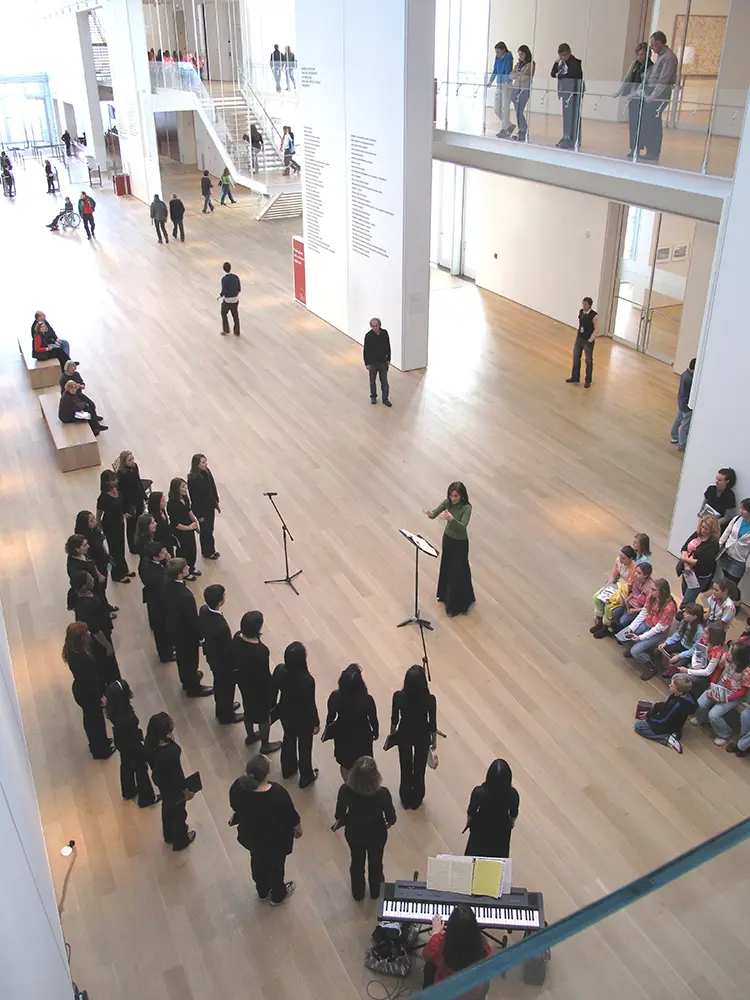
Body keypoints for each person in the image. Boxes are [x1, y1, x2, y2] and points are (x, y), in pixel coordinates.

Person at [229, 754, 302, 905]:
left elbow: (236, 806)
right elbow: (291, 817)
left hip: (252, 837)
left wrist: (238, 816)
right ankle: (277, 895)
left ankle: (262, 891)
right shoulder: (278, 794)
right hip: (275, 841)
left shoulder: (239, 786)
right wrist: (298, 830)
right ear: (267, 773)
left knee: (257, 863)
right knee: (276, 868)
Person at [334, 756, 396, 901]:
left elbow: (339, 815)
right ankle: (376, 892)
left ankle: (358, 892)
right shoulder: (382, 793)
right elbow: (391, 817)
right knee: (376, 863)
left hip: (354, 833)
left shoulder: (345, 790)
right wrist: (389, 823)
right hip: (377, 834)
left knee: (356, 862)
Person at [62, 622, 114, 759]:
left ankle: (100, 742)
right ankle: (100, 750)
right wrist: (100, 696)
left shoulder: (73, 651)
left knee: (93, 719)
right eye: (86, 634)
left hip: (82, 690)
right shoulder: (82, 658)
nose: (89, 634)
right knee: (95, 721)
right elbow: (90, 681)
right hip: (88, 693)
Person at [145, 712, 196, 850]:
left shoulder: (150, 745)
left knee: (167, 807)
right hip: (173, 786)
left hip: (162, 782)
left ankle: (168, 835)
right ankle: (181, 840)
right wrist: (186, 792)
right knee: (179, 813)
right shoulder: (170, 753)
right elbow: (178, 776)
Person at [423, 481, 475, 617]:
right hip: (448, 539)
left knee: (457, 570)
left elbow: (463, 526)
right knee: (447, 566)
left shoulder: (467, 508)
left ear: (462, 496)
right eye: (451, 496)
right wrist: (430, 513)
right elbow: (435, 513)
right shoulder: (448, 502)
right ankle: (445, 596)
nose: (453, 499)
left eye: (456, 496)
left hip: (460, 543)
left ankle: (457, 604)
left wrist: (451, 519)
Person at [272, 641, 320, 788]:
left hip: (286, 713)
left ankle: (288, 769)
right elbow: (310, 705)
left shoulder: (280, 670)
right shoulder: (307, 680)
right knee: (305, 747)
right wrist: (316, 722)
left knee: (288, 738)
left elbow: (273, 691)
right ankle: (306, 776)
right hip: (303, 719)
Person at [162, 557, 213, 697]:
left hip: (174, 628)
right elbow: (191, 620)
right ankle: (193, 687)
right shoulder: (185, 596)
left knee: (182, 659)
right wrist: (200, 635)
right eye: (185, 568)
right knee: (190, 659)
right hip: (185, 634)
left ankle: (186, 680)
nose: (188, 568)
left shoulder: (167, 584)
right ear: (179, 573)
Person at [104, 679, 159, 807]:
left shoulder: (113, 710)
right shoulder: (126, 716)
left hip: (121, 741)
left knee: (126, 764)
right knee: (141, 767)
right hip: (132, 742)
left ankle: (128, 790)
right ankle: (147, 798)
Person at [232, 611, 281, 752]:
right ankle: (265, 745)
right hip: (259, 689)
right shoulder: (261, 651)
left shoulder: (236, 638)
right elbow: (264, 674)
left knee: (248, 710)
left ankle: (251, 735)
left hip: (244, 683)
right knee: (264, 717)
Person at [389, 664, 437, 809]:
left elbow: (394, 720)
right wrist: (434, 742)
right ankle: (417, 798)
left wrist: (392, 734)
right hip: (422, 735)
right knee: (419, 769)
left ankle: (405, 797)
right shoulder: (430, 699)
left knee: (405, 766)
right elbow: (432, 723)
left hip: (404, 733)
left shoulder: (398, 696)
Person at [689, 642, 750, 746]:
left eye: (731, 652)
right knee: (701, 703)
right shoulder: (726, 657)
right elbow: (719, 670)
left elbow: (742, 691)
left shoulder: (747, 671)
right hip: (721, 685)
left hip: (734, 693)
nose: (728, 653)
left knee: (713, 715)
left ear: (739, 657)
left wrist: (726, 698)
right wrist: (711, 685)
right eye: (729, 650)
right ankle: (702, 718)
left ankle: (724, 734)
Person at [325, 664, 379, 781]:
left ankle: (348, 785)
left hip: (342, 733)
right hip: (363, 735)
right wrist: (375, 732)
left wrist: (328, 731)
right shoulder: (367, 699)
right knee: (363, 763)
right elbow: (373, 718)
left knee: (345, 764)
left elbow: (330, 717)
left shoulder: (335, 697)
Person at [422, 905, 491, 996]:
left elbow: (426, 954)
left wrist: (435, 933)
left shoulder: (439, 946)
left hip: (447, 993)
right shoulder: (484, 949)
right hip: (473, 993)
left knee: (429, 965)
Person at [199, 584, 243, 724]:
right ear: (220, 601)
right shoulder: (222, 627)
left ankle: (223, 708)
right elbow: (227, 650)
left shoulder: (204, 610)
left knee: (219, 683)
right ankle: (226, 715)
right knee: (226, 687)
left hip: (212, 655)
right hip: (223, 662)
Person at [618, 578, 678, 679]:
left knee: (635, 651)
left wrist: (641, 638)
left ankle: (651, 666)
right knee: (624, 635)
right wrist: (631, 628)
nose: (650, 592)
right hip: (647, 623)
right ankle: (635, 648)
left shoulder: (669, 607)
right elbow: (644, 612)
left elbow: (658, 628)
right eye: (651, 589)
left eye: (654, 590)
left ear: (662, 591)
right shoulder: (652, 596)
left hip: (658, 633)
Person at [71, 571, 121, 692]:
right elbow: (95, 631)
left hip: (102, 629)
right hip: (99, 638)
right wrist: (107, 645)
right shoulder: (86, 605)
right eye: (89, 579)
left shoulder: (85, 594)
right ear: (83, 586)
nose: (93, 579)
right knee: (107, 664)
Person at [464, 758, 519, 859]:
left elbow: (471, 812)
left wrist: (469, 822)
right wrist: (510, 824)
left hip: (480, 826)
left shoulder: (479, 792)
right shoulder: (512, 794)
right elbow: (513, 814)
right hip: (501, 828)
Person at [634, 675, 697, 755]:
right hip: (674, 722)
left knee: (638, 726)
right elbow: (667, 706)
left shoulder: (676, 704)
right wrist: (655, 707)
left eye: (672, 686)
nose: (669, 685)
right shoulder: (683, 697)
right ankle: (673, 734)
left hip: (668, 725)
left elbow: (663, 720)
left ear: (680, 691)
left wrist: (648, 717)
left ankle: (667, 739)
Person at [640, 32, 678, 163]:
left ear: (659, 44)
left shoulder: (668, 58)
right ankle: (649, 150)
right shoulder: (661, 57)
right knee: (649, 121)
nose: (652, 49)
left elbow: (663, 80)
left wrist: (652, 96)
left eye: (653, 46)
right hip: (654, 92)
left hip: (660, 94)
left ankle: (653, 151)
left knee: (654, 122)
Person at [675, 514, 720, 613]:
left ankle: (686, 617)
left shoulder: (713, 544)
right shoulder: (697, 534)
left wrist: (684, 559)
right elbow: (684, 548)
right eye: (702, 527)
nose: (703, 530)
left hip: (699, 576)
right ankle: (694, 611)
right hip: (687, 571)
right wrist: (686, 563)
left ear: (712, 530)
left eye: (706, 529)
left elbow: (702, 563)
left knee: (686, 602)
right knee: (685, 593)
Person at [615, 42, 653, 157]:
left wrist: (636, 93)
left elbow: (645, 82)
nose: (640, 57)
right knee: (633, 124)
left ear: (648, 54)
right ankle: (633, 148)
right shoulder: (635, 64)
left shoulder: (651, 67)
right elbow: (627, 78)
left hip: (642, 98)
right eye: (638, 54)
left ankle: (640, 147)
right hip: (633, 97)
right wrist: (619, 91)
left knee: (641, 125)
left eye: (642, 54)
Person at [74, 509, 115, 612]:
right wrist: (98, 573)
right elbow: (88, 559)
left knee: (103, 588)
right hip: (95, 565)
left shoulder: (95, 531)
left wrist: (107, 556)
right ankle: (103, 610)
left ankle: (106, 605)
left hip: (102, 560)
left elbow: (101, 544)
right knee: (99, 589)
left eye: (94, 519)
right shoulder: (84, 540)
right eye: (91, 521)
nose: (95, 522)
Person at [591, 544, 638, 633]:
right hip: (616, 585)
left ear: (630, 559)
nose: (620, 559)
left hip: (624, 589)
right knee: (597, 596)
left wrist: (615, 594)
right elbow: (613, 577)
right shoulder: (618, 561)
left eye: (623, 558)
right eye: (620, 556)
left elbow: (629, 586)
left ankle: (606, 626)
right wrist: (605, 588)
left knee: (610, 604)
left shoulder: (634, 568)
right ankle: (599, 621)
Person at [139, 541, 173, 662]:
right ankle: (165, 654)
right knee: (162, 631)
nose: (166, 553)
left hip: (152, 598)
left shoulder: (145, 561)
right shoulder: (157, 575)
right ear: (155, 557)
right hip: (159, 604)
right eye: (163, 552)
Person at [602, 562, 655, 637]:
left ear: (645, 575)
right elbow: (633, 593)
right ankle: (614, 629)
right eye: (636, 572)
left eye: (639, 573)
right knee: (614, 612)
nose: (636, 574)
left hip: (639, 609)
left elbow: (648, 607)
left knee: (623, 620)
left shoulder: (650, 588)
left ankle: (622, 632)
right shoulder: (636, 580)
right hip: (630, 603)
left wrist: (634, 610)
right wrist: (625, 601)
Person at [97, 470, 133, 582]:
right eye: (112, 480)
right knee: (114, 550)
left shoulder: (116, 490)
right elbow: (99, 514)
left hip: (119, 522)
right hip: (110, 525)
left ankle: (124, 569)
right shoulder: (103, 497)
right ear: (106, 482)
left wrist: (124, 513)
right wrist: (99, 525)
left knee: (121, 547)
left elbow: (119, 506)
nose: (115, 481)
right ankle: (117, 574)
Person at [187, 453, 221, 560]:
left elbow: (212, 487)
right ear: (197, 464)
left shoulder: (207, 471)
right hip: (201, 508)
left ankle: (211, 549)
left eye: (205, 461)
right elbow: (194, 498)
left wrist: (216, 502)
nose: (205, 464)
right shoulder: (193, 478)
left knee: (210, 529)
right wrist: (199, 514)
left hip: (209, 505)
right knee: (205, 531)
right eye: (203, 462)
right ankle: (207, 552)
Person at [550, 43, 584, 149]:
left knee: (574, 116)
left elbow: (573, 74)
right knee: (567, 116)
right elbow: (553, 73)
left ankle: (574, 139)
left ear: (569, 53)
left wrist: (560, 75)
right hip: (565, 92)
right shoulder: (560, 63)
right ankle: (566, 136)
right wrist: (556, 62)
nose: (563, 57)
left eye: (565, 55)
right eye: (561, 55)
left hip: (574, 92)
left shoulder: (575, 62)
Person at [658, 603, 705, 676]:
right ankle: (658, 667)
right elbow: (678, 634)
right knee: (659, 650)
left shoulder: (700, 631)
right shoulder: (684, 621)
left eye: (687, 613)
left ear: (694, 617)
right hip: (681, 643)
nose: (684, 614)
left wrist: (679, 656)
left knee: (677, 666)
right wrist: (666, 643)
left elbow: (694, 649)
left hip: (689, 651)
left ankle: (669, 672)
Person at [167, 477, 200, 579]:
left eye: (185, 486)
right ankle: (183, 571)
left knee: (192, 549)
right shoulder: (172, 504)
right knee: (183, 551)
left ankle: (191, 566)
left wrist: (194, 520)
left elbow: (188, 510)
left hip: (189, 528)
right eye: (183, 487)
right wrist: (188, 527)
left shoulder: (185, 498)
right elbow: (175, 524)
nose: (185, 489)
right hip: (180, 531)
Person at [117, 450, 148, 554]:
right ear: (124, 461)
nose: (132, 461)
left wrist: (144, 497)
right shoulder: (121, 474)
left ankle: (139, 542)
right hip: (129, 503)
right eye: (129, 460)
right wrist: (124, 510)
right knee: (131, 526)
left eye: (132, 458)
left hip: (138, 499)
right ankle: (132, 546)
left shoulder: (135, 467)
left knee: (139, 522)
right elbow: (120, 494)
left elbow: (138, 482)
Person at [718, 501, 750, 599]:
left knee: (732, 585)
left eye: (743, 509)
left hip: (739, 559)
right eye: (740, 508)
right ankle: (722, 601)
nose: (741, 511)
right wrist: (719, 544)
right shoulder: (737, 519)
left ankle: (734, 603)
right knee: (724, 579)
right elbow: (727, 532)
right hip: (727, 553)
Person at [566, 297, 599, 387]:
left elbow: (596, 330)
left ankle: (588, 380)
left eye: (585, 304)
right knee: (576, 357)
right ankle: (575, 377)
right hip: (579, 338)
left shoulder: (594, 316)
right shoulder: (581, 312)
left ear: (589, 305)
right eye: (583, 304)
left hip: (587, 341)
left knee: (588, 360)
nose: (583, 306)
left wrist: (590, 340)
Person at [363, 318, 392, 406]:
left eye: (376, 326)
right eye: (373, 326)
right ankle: (373, 397)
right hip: (372, 363)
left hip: (383, 361)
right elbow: (366, 350)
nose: (375, 328)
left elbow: (388, 346)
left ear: (379, 325)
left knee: (384, 381)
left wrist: (388, 359)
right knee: (372, 381)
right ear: (371, 326)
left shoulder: (384, 333)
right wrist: (367, 363)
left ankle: (385, 399)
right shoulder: (368, 335)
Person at [509, 45, 535, 142]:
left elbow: (525, 77)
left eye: (522, 54)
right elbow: (511, 76)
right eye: (519, 54)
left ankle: (523, 129)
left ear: (526, 54)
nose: (520, 56)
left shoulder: (531, 64)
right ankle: (521, 129)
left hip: (524, 90)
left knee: (520, 111)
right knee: (517, 111)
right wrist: (519, 73)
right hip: (516, 89)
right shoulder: (518, 64)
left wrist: (518, 74)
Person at [487, 42, 513, 138]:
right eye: (496, 52)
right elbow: (495, 70)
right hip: (499, 83)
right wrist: (490, 81)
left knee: (505, 107)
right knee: (497, 109)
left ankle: (504, 129)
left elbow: (507, 70)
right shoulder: (497, 57)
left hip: (506, 84)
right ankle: (509, 125)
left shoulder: (509, 56)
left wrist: (504, 82)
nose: (497, 54)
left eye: (498, 52)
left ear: (503, 50)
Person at [670, 358, 695, 451]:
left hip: (681, 402)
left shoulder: (684, 374)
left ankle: (674, 436)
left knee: (678, 420)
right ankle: (681, 445)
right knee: (684, 426)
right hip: (687, 405)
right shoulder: (691, 379)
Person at [148, 490, 175, 556]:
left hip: (168, 539)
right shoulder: (153, 517)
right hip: (161, 543)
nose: (165, 502)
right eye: (162, 501)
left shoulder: (162, 510)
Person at [219, 261, 241, 336]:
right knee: (235, 316)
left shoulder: (224, 279)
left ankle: (226, 330)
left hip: (227, 301)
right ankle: (237, 332)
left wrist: (220, 295)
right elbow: (239, 288)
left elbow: (224, 291)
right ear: (230, 268)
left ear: (224, 269)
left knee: (223, 313)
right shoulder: (236, 277)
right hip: (235, 300)